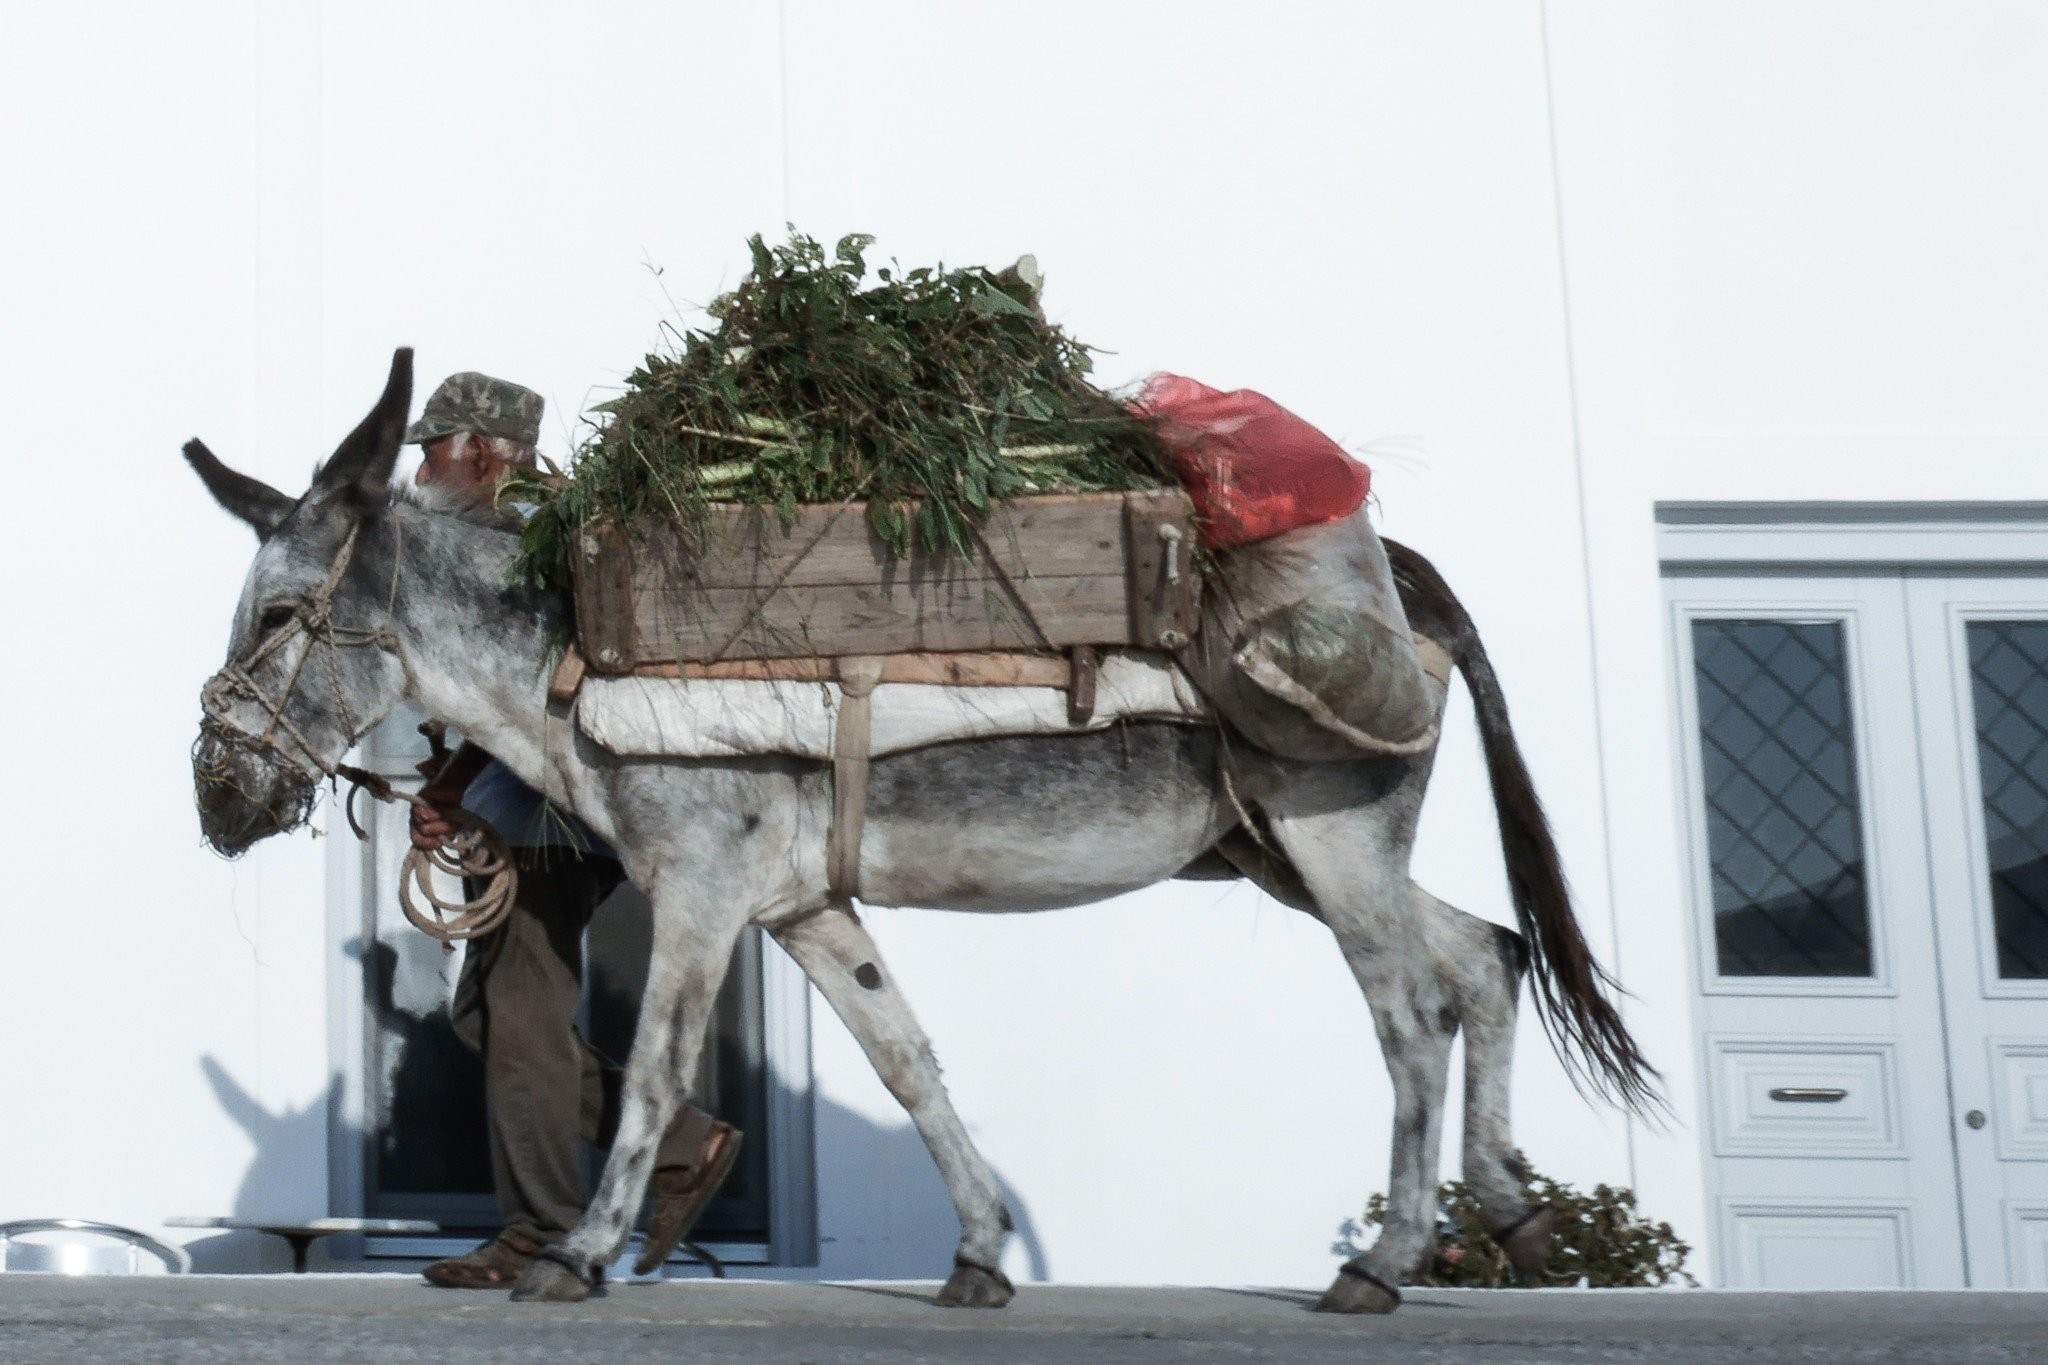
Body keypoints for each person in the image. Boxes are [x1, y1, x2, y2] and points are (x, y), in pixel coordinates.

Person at [401, 371, 741, 1290]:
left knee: (520, 1017)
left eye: (434, 445)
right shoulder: (528, 527)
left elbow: (528, 685)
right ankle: (681, 1141)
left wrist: (458, 785)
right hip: (534, 803)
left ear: (480, 448)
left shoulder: (521, 535)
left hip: (553, 809)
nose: (424, 464)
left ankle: (540, 1231)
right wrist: (458, 780)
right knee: (486, 1015)